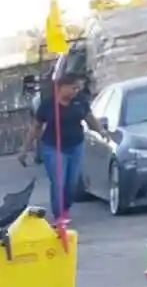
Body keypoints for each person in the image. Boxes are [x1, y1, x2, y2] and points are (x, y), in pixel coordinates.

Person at [18, 74, 110, 220]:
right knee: (59, 181)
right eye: (74, 88)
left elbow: (90, 118)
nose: (76, 91)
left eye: (78, 88)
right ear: (62, 87)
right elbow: (36, 127)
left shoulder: (80, 102)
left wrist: (101, 131)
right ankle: (59, 215)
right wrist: (24, 149)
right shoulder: (48, 105)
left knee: (72, 182)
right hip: (53, 148)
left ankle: (66, 207)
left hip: (76, 146)